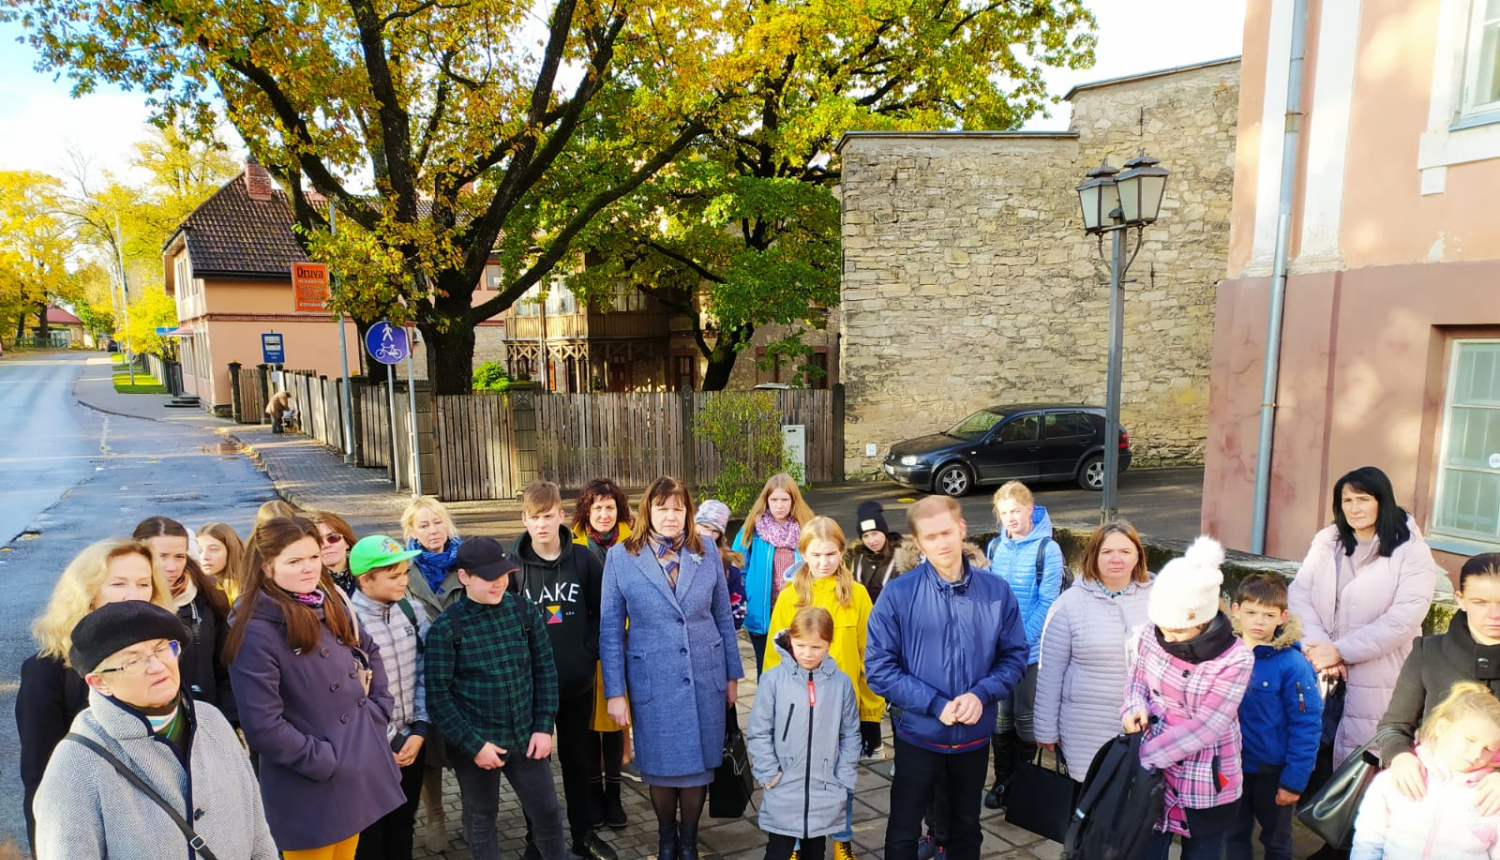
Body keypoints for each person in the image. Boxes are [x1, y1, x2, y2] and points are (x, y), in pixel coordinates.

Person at [31, 601, 278, 860]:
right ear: (99, 682)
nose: (158, 666)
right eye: (134, 661)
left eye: (162, 649)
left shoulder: (212, 721)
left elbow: (259, 834)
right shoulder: (76, 764)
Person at [228, 516, 405, 860]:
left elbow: (368, 650)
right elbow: (263, 725)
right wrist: (324, 760)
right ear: (266, 567)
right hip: (310, 783)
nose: (309, 569)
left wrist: (378, 711)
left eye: (313, 557)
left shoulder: (327, 602)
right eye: (294, 561)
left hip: (355, 766)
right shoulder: (255, 630)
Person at [865, 495, 1027, 860]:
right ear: (917, 543)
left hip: (972, 738)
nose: (941, 542)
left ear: (962, 529)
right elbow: (879, 668)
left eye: (947, 532)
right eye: (931, 536)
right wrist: (935, 704)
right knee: (904, 831)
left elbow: (1015, 656)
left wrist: (982, 694)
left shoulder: (996, 591)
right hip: (919, 735)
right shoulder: (897, 595)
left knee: (966, 828)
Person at [601, 476, 745, 860]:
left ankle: (689, 841)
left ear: (688, 512)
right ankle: (667, 839)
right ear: (647, 511)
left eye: (678, 508)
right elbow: (611, 630)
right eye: (662, 508)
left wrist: (732, 676)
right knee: (662, 767)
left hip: (705, 674)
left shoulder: (706, 550)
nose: (670, 516)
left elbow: (723, 617)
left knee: (699, 765)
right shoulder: (621, 556)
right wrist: (615, 692)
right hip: (654, 679)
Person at [16, 538, 174, 852]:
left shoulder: (164, 656)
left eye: (144, 583)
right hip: (98, 835)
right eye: (118, 583)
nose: (133, 595)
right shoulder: (46, 672)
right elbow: (41, 782)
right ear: (88, 591)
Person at [424, 536, 570, 860]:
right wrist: (474, 745)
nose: (499, 583)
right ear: (464, 577)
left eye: (503, 574)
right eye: (489, 578)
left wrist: (544, 727)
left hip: (526, 737)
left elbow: (545, 671)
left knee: (547, 813)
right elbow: (438, 697)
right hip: (475, 745)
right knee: (481, 820)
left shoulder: (524, 610)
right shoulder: (446, 629)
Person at [1288, 467, 1437, 768]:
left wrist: (1341, 651)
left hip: (1381, 673)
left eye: (1363, 499)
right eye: (1347, 500)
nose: (1354, 508)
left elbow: (1404, 618)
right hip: (1321, 670)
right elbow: (1300, 594)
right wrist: (1321, 649)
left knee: (1366, 766)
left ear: (1382, 501)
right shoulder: (1329, 541)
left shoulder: (1411, 551)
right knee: (1313, 756)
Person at [1122, 536, 1254, 860]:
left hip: (1205, 775)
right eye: (1163, 627)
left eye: (1178, 631)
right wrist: (1134, 707)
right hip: (1152, 777)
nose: (1167, 637)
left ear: (1202, 618)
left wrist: (1146, 756)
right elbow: (1136, 680)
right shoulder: (1151, 633)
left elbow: (1207, 726)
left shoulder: (1235, 658)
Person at [762, 516, 883, 859]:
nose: (823, 562)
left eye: (830, 554)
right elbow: (774, 659)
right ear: (803, 554)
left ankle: (841, 840)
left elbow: (868, 657)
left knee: (839, 779)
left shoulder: (857, 595)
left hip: (841, 711)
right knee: (798, 779)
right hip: (796, 713)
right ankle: (799, 843)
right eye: (815, 555)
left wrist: (871, 713)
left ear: (842, 552)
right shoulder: (790, 598)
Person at [512, 481, 617, 860]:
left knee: (578, 760)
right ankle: (535, 839)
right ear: (524, 519)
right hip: (531, 688)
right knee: (533, 768)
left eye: (548, 515)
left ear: (561, 515)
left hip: (576, 682)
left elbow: (602, 611)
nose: (542, 524)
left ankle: (583, 834)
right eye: (534, 517)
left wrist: (588, 652)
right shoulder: (513, 568)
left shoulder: (585, 559)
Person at [1375, 553, 1500, 809]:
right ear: (1460, 600)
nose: (1494, 614)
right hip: (1427, 801)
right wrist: (1400, 757)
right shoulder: (1428, 652)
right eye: (1480, 602)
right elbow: (1393, 726)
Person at [1032, 520, 1154, 781]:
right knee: (1091, 800)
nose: (1116, 559)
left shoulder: (1159, 599)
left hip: (1143, 723)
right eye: (1107, 552)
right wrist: (1045, 730)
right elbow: (1050, 672)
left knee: (1135, 803)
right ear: (1094, 556)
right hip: (1085, 726)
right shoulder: (1069, 604)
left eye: (1125, 551)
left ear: (1138, 556)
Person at [748, 607, 861, 860]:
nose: (807, 654)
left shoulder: (841, 684)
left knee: (815, 851)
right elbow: (759, 731)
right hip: (784, 785)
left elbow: (851, 734)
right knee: (778, 851)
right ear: (790, 641)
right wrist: (768, 772)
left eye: (816, 647)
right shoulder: (773, 680)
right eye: (800, 646)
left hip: (825, 786)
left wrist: (843, 775)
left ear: (829, 645)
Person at [980, 480, 1065, 810]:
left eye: (1016, 511)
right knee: (1001, 716)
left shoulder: (1048, 549)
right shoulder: (994, 548)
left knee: (1025, 715)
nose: (1010, 518)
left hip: (1029, 650)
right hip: (997, 649)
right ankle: (1002, 781)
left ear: (1030, 509)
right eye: (1004, 513)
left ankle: (1022, 784)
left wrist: (1017, 643)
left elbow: (1047, 602)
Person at [1226, 574, 1323, 860]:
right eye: (1251, 612)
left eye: (1268, 615)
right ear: (1236, 610)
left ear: (1282, 617)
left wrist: (1293, 781)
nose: (1259, 622)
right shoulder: (1223, 654)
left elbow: (1307, 725)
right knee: (1233, 835)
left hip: (1273, 772)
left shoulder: (1293, 665)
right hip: (1231, 766)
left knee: (1277, 841)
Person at [348, 535, 430, 860]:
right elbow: (352, 695)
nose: (403, 581)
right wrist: (391, 739)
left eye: (405, 573)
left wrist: (421, 727)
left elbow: (426, 672)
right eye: (393, 576)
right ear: (366, 579)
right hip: (372, 748)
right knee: (371, 833)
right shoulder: (346, 623)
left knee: (403, 824)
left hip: (413, 742)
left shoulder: (413, 611)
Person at [1352, 682, 1500, 860]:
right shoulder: (1396, 779)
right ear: (1443, 728)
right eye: (1470, 740)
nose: (1477, 754)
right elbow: (1368, 841)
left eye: (1489, 748)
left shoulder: (1491, 794)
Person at [400, 494, 463, 851]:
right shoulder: (403, 569)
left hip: (466, 671)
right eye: (424, 524)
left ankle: (474, 812)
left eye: (437, 522)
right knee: (428, 750)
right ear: (412, 531)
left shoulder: (467, 559)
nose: (433, 530)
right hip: (421, 672)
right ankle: (436, 813)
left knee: (467, 747)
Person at [571, 477, 635, 830]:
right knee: (584, 727)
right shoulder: (573, 544)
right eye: (597, 507)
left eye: (610, 507)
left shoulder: (634, 542)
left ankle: (613, 793)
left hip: (621, 643)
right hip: (584, 645)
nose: (604, 513)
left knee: (613, 723)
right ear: (587, 510)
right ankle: (593, 792)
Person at [133, 516, 236, 721]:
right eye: (161, 556)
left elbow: (225, 666)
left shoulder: (206, 599)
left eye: (179, 556)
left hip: (206, 718)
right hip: (152, 725)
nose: (172, 566)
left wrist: (229, 719)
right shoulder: (127, 607)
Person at [734, 473, 815, 673]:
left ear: (793, 500)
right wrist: (746, 599)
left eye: (785, 499)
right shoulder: (752, 529)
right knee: (767, 668)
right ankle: (768, 705)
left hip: (797, 609)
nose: (779, 505)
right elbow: (737, 567)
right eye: (774, 500)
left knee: (799, 668)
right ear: (766, 500)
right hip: (763, 612)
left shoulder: (807, 528)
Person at [696, 499, 747, 631]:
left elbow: (738, 608)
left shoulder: (728, 565)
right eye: (705, 527)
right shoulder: (678, 554)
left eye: (715, 531)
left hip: (714, 636)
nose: (708, 534)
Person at [846, 501, 901, 606]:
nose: (871, 541)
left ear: (884, 532)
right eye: (865, 536)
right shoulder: (856, 558)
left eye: (875, 533)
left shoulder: (902, 559)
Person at [309, 510, 358, 595]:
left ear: (346, 542)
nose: (326, 545)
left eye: (333, 537)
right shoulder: (309, 585)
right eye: (318, 541)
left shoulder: (368, 573)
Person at [198, 521, 247, 603]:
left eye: (213, 549)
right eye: (199, 550)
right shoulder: (191, 589)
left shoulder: (249, 588)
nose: (204, 557)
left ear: (230, 551)